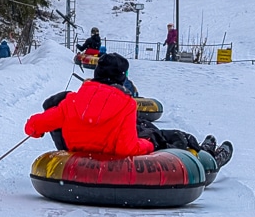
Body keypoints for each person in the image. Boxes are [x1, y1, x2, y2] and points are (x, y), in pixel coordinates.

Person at [25, 52, 233, 167]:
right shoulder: (126, 105)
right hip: (113, 150)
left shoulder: (71, 101)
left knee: (145, 127)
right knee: (165, 136)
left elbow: (33, 125)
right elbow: (127, 148)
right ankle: (206, 157)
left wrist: (36, 130)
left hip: (81, 149)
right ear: (121, 78)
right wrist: (149, 146)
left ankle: (201, 149)